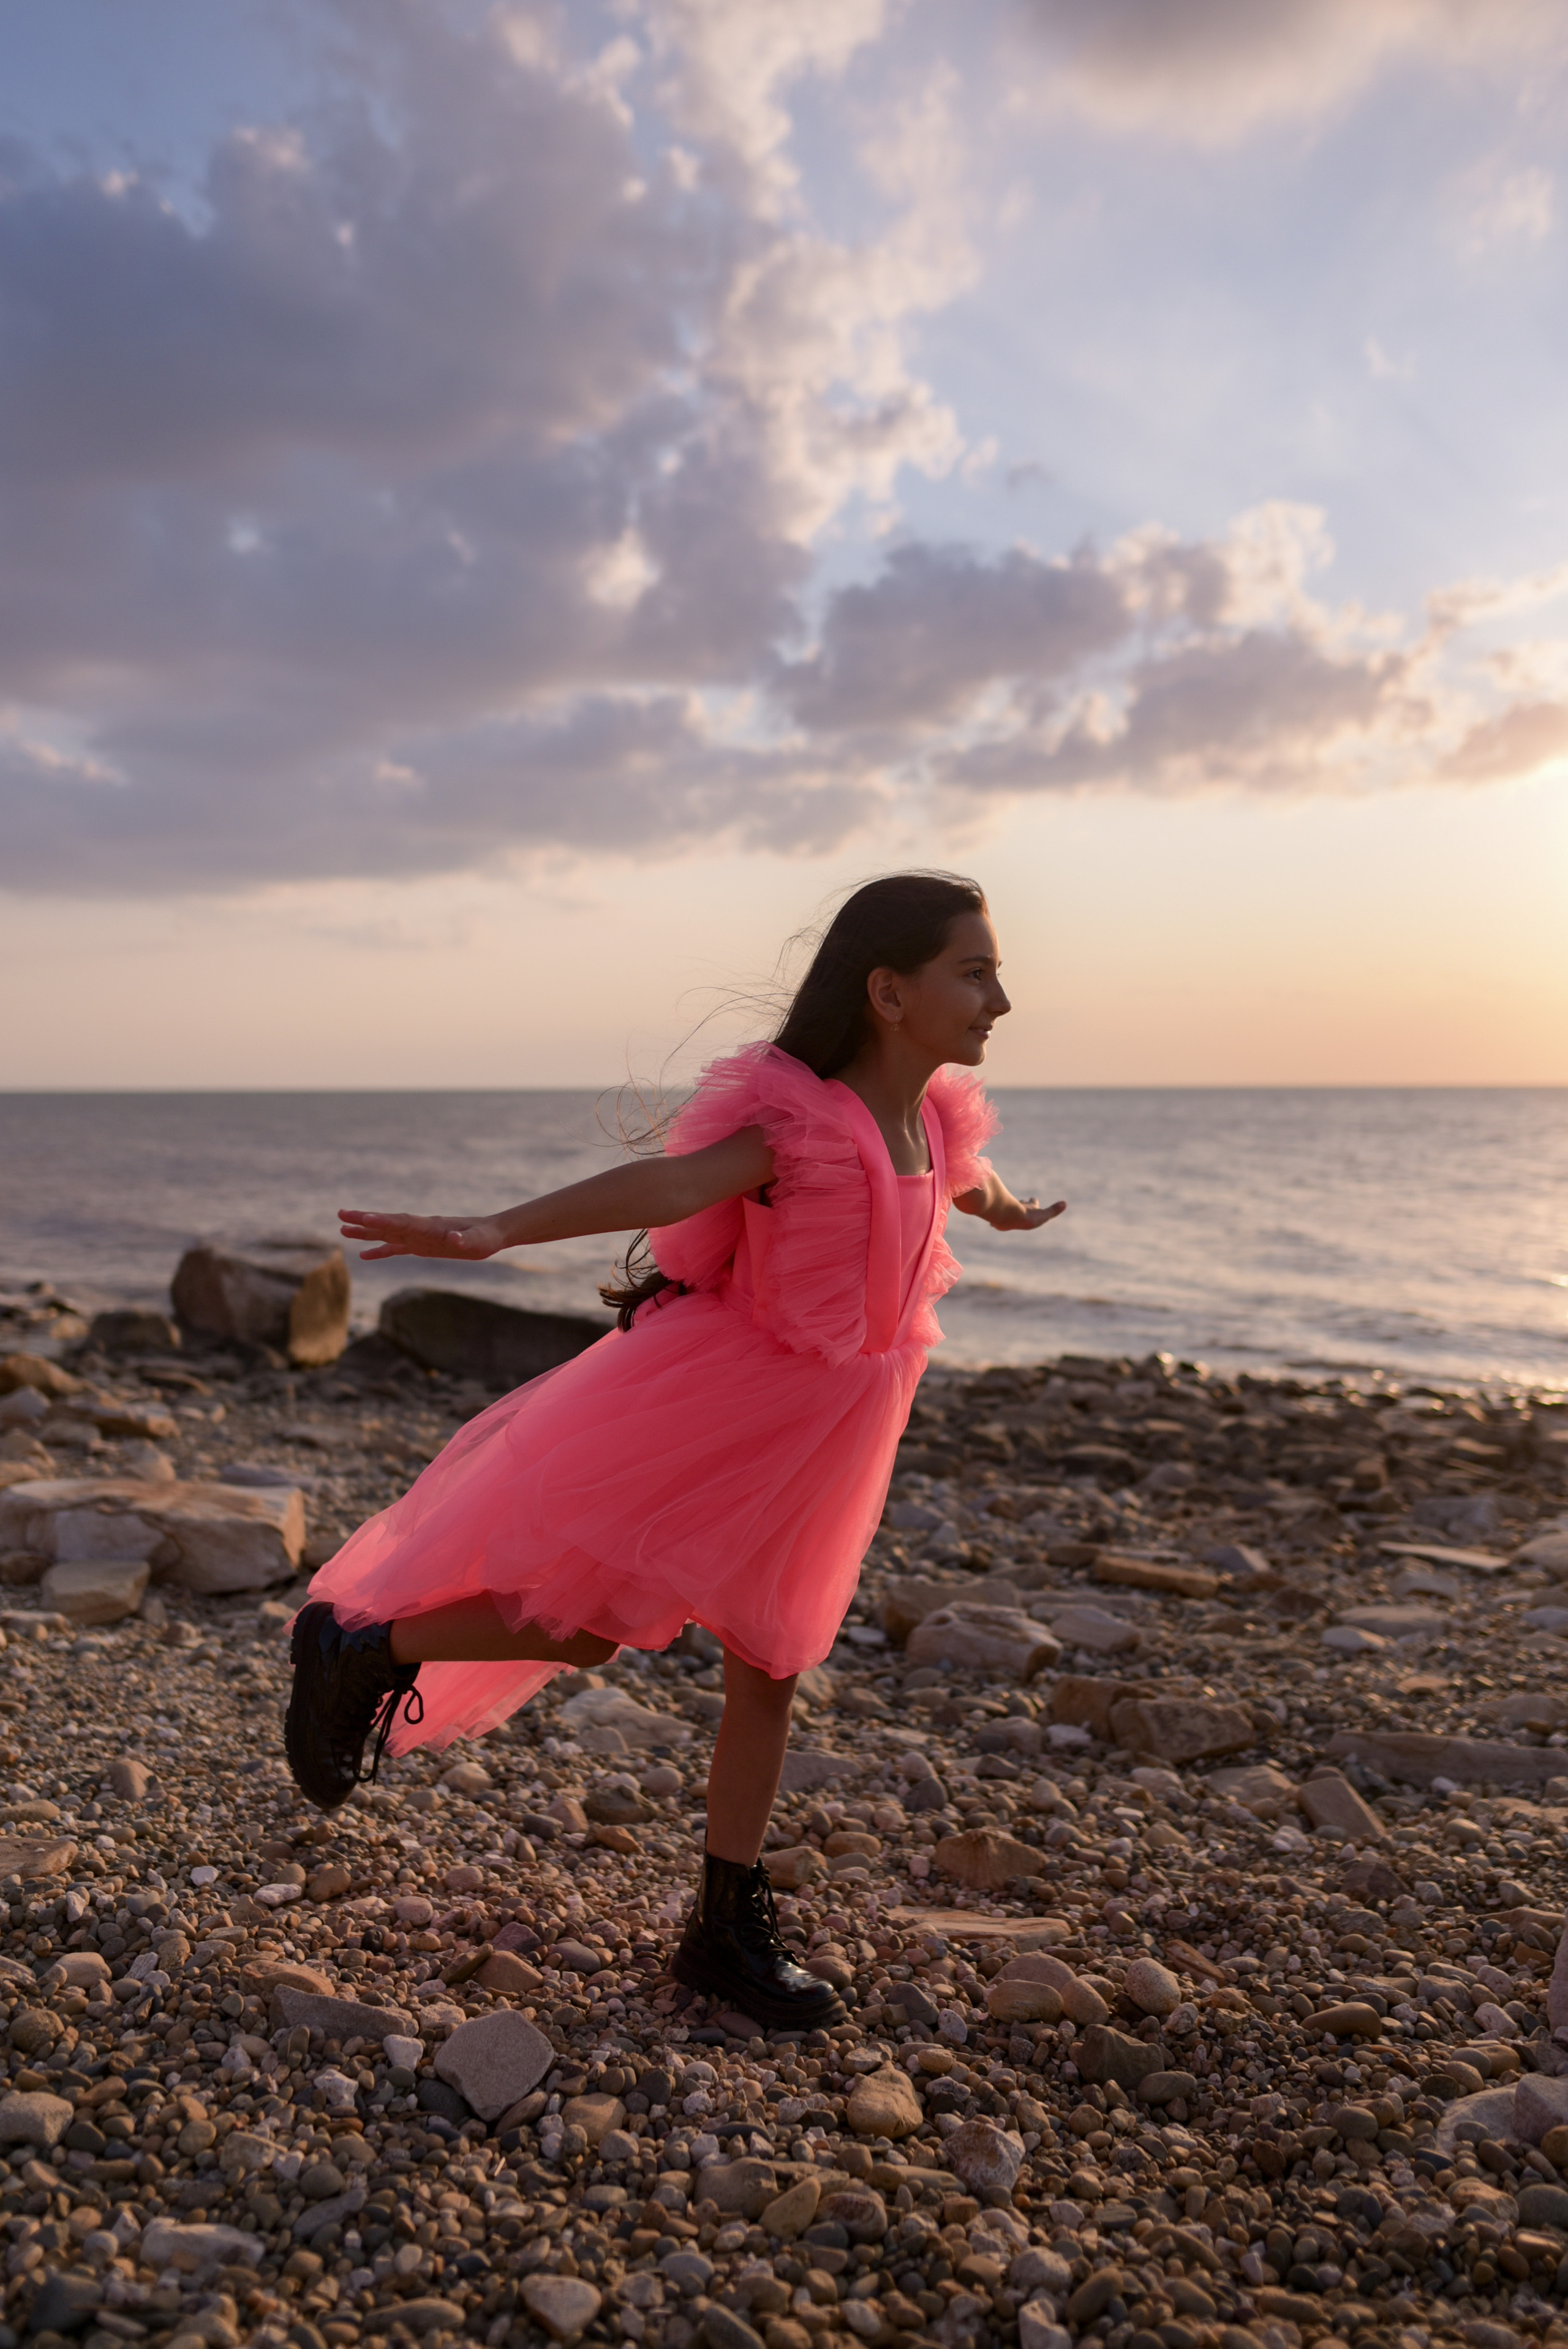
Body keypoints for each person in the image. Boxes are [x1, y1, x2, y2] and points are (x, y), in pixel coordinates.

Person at [284, 871, 1066, 2029]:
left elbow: (962, 1177)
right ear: (890, 992)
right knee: (591, 1628)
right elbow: (676, 1181)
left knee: (772, 1665)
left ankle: (722, 1931)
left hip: (836, 1431)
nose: (1001, 996)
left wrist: (1005, 1207)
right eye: (977, 970)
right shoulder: (806, 1121)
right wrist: (494, 1230)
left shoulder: (937, 1117)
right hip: (723, 1405)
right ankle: (358, 1644)